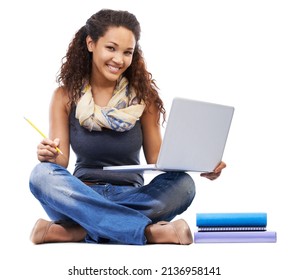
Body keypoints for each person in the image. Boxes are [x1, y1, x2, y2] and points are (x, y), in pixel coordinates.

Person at [29, 9, 226, 245]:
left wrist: (202, 163)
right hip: (80, 194)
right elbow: (60, 163)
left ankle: (76, 231)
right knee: (41, 175)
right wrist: (49, 154)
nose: (119, 59)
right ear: (91, 43)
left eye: (127, 52)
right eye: (111, 48)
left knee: (183, 185)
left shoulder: (144, 98)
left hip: (132, 195)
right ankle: (147, 232)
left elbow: (158, 158)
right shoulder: (65, 96)